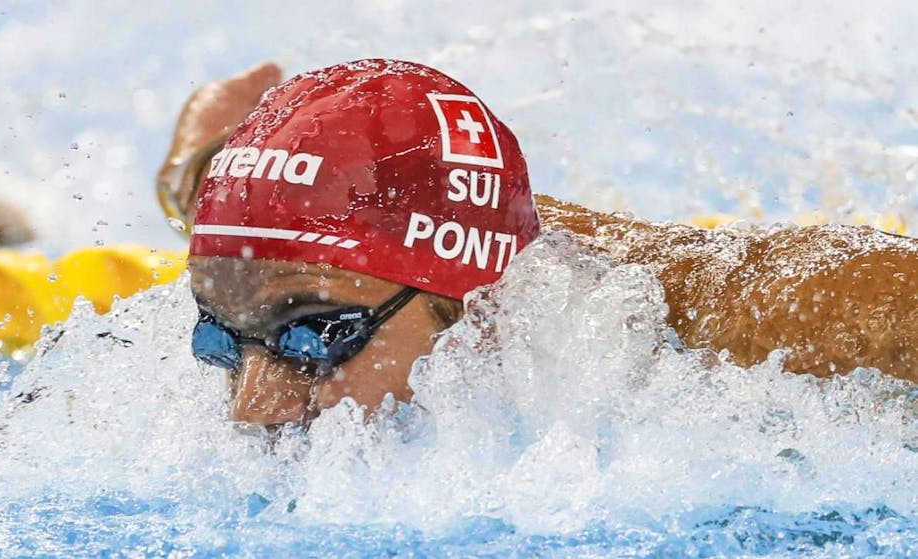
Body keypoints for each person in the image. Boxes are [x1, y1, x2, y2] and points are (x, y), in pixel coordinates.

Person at [158, 59, 918, 428]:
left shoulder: (779, 328)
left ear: (483, 305)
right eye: (218, 341)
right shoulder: (276, 263)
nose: (252, 409)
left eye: (312, 335)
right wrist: (199, 168)